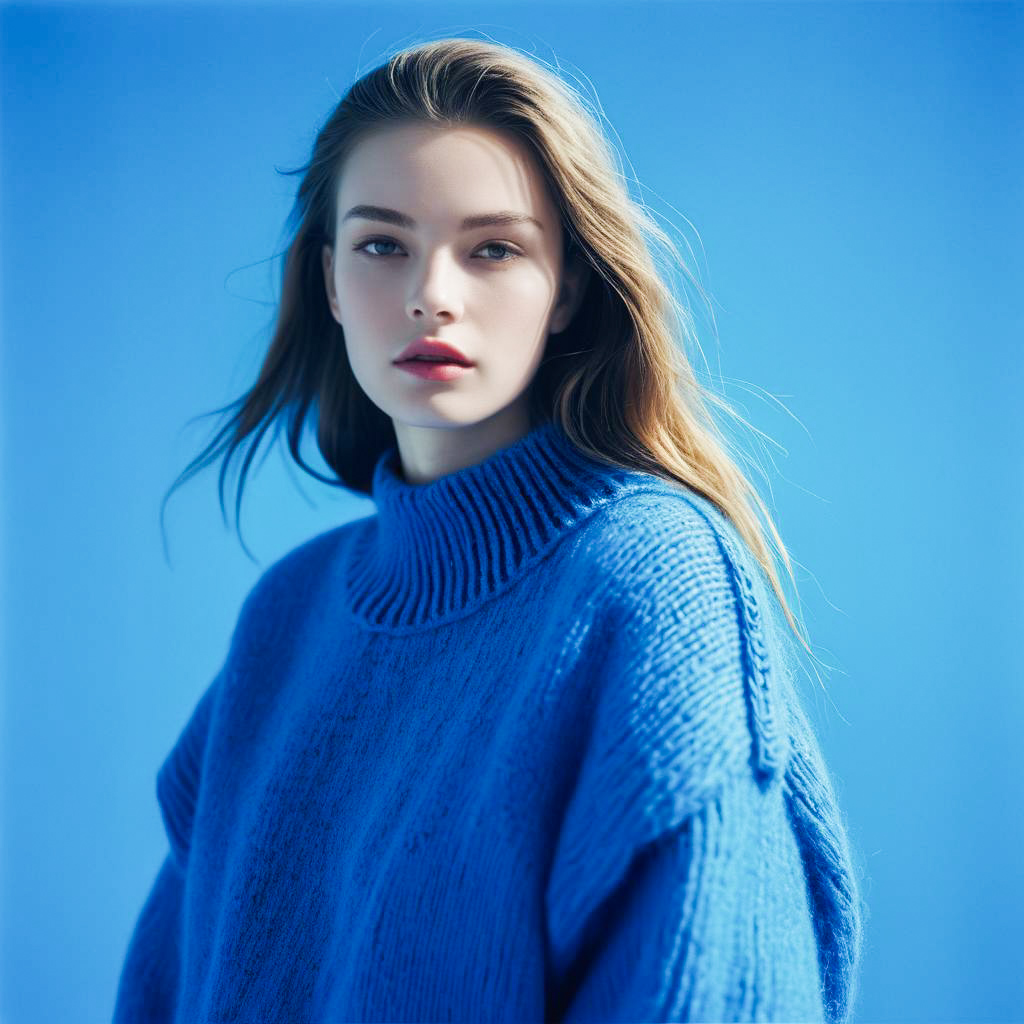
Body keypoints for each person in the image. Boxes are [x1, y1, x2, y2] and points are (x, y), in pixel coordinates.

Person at [113, 37, 866, 1024]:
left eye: (494, 249)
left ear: (568, 289)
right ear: (330, 281)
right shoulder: (284, 618)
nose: (434, 292)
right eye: (382, 243)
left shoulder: (650, 581)